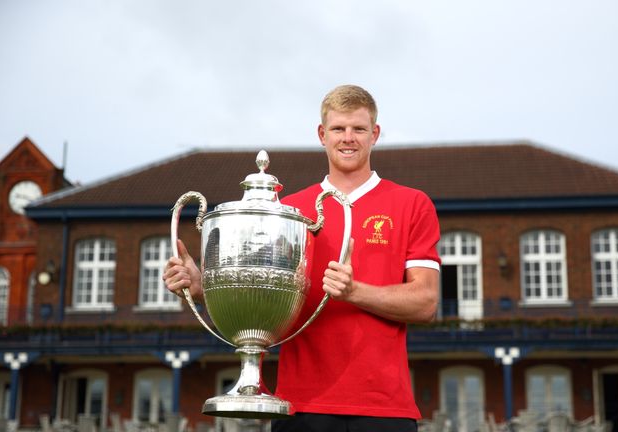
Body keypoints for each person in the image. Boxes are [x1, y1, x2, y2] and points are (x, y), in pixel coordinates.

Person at [163, 84, 441, 432]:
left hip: (384, 409)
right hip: (300, 408)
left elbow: (426, 302)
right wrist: (204, 287)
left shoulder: (412, 204)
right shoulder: (288, 212)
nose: (348, 138)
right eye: (339, 129)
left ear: (375, 134)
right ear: (322, 134)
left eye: (359, 129)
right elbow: (262, 296)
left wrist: (354, 291)